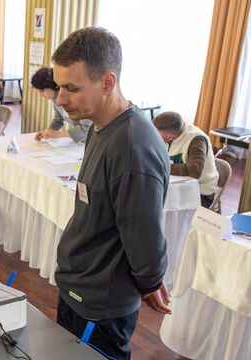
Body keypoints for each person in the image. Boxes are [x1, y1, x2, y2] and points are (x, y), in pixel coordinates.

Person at [53, 27, 171, 359]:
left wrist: (150, 280)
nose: (61, 99)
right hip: (79, 287)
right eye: (60, 86)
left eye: (71, 88)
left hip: (99, 303)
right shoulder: (101, 125)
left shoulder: (132, 146)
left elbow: (143, 232)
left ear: (107, 82)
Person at [153, 111, 219, 208]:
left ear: (169, 137)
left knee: (158, 208)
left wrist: (161, 166)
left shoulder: (197, 140)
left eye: (156, 134)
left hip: (201, 193)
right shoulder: (171, 133)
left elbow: (194, 171)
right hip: (178, 188)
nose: (154, 136)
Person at [31, 67, 92, 143]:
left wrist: (59, 134)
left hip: (92, 140)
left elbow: (86, 128)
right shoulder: (55, 99)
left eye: (42, 91)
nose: (40, 95)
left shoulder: (76, 98)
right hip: (80, 141)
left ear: (51, 85)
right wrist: (47, 132)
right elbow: (58, 120)